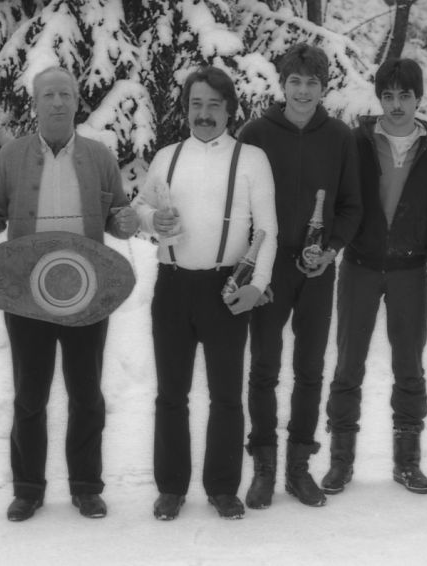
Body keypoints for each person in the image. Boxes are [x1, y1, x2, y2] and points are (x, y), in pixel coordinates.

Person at [0, 66, 139, 522]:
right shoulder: (12, 156)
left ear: (77, 101)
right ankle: (27, 489)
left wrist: (125, 221)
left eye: (65, 94)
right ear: (35, 103)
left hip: (87, 295)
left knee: (86, 395)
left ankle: (86, 487)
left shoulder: (100, 156)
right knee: (29, 396)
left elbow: (118, 214)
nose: (58, 102)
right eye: (48, 95)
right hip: (27, 297)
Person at [132, 66, 277, 521]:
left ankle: (222, 487)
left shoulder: (250, 159)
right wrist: (152, 221)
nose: (204, 113)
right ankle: (171, 487)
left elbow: (268, 229)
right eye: (196, 104)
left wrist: (257, 285)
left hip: (225, 287)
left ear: (230, 109)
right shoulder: (167, 157)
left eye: (214, 104)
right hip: (173, 285)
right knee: (170, 394)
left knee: (226, 395)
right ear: (186, 108)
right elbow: (140, 208)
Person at [237, 43, 362, 509]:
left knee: (310, 369)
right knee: (264, 368)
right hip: (268, 268)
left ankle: (298, 467)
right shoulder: (256, 134)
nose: (303, 91)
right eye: (295, 81)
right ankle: (264, 466)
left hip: (316, 270)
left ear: (323, 87)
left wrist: (330, 251)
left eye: (312, 83)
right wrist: (252, 266)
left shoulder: (340, 138)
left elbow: (352, 205)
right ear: (283, 84)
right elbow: (240, 205)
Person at [322, 58, 427, 496]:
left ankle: (407, 462)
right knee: (348, 363)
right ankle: (340, 462)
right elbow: (341, 199)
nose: (396, 105)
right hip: (359, 264)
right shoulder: (357, 141)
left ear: (418, 99)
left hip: (409, 270)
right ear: (379, 98)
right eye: (388, 95)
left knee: (409, 365)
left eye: (405, 96)